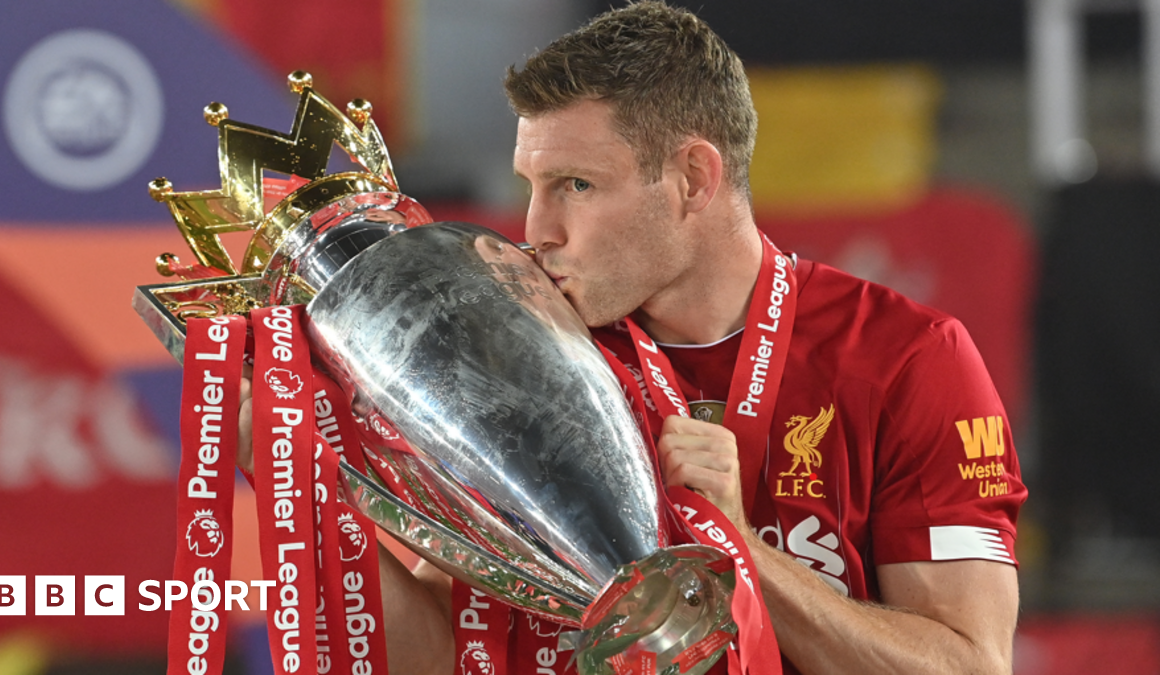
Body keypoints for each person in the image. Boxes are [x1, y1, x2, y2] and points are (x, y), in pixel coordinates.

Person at [242, 3, 1026, 674]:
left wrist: (735, 551)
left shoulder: (904, 356)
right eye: (530, 186)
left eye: (575, 186)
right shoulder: (525, 349)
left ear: (692, 179)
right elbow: (443, 651)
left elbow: (966, 661)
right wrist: (298, 488)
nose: (536, 232)